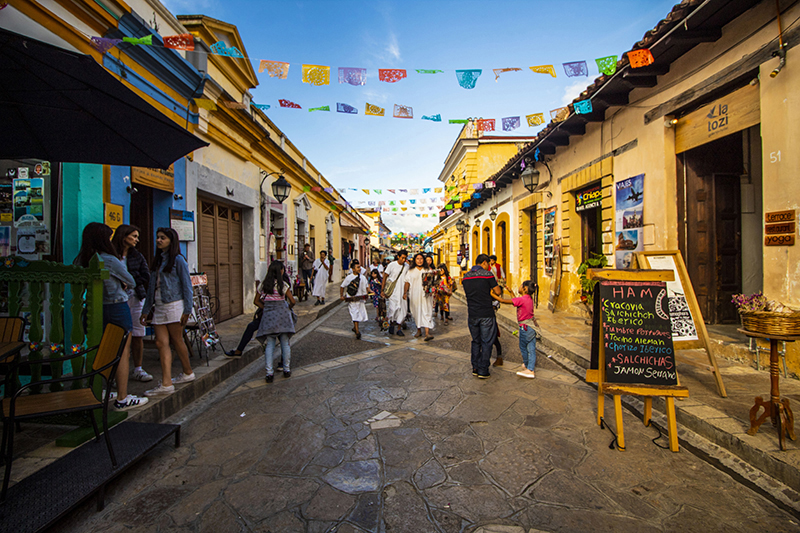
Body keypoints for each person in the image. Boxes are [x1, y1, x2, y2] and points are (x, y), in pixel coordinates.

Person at [74, 222, 148, 410]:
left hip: (93, 308)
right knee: (122, 352)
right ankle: (122, 399)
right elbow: (131, 281)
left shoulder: (81, 259)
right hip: (116, 306)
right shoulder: (108, 259)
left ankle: (98, 390)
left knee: (99, 349)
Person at [141, 228, 195, 397]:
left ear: (171, 241)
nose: (158, 240)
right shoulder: (157, 261)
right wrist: (146, 309)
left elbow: (187, 286)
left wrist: (187, 309)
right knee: (160, 343)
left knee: (177, 340)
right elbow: (151, 287)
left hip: (174, 304)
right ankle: (166, 383)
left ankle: (187, 372)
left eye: (162, 238)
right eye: (158, 237)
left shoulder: (178, 260)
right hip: (159, 305)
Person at [111, 224, 153, 383]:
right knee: (117, 335)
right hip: (115, 299)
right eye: (134, 236)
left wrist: (131, 283)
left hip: (135, 298)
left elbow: (146, 275)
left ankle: (138, 368)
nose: (137, 240)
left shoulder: (137, 256)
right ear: (124, 236)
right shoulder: (111, 256)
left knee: (137, 334)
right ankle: (115, 371)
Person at [462, 254, 501, 379]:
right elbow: (498, 291)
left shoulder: (466, 276)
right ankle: (483, 369)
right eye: (488, 263)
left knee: (475, 341)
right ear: (484, 262)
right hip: (486, 313)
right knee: (486, 342)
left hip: (472, 313)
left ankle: (475, 367)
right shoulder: (488, 275)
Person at [256, 260, 296, 382]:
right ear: (281, 271)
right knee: (285, 343)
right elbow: (292, 301)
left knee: (270, 345)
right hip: (283, 317)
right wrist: (287, 308)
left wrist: (267, 308)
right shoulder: (283, 285)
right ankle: (286, 369)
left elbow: (256, 301)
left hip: (269, 318)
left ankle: (269, 373)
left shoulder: (263, 285)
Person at [494, 280, 540, 378]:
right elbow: (515, 301)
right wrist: (511, 291)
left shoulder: (522, 299)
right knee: (531, 349)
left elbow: (503, 301)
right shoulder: (529, 298)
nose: (519, 287)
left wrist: (492, 294)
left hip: (525, 328)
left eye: (521, 286)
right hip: (531, 327)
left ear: (525, 289)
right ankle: (530, 367)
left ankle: (529, 368)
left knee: (524, 347)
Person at [404, 253, 435, 341]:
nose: (419, 260)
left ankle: (427, 333)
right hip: (414, 295)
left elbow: (432, 282)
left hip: (426, 295)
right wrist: (405, 293)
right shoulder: (410, 271)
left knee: (426, 311)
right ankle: (419, 330)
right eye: (418, 259)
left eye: (421, 259)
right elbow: (407, 282)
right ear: (415, 260)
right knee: (416, 312)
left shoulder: (428, 270)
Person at [382, 250, 409, 336]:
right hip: (393, 292)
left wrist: (406, 292)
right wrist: (382, 290)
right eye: (402, 258)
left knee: (402, 310)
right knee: (393, 309)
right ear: (398, 257)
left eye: (405, 258)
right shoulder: (391, 265)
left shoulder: (407, 266)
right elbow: (385, 276)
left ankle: (399, 328)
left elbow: (408, 280)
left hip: (402, 292)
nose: (404, 260)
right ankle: (392, 323)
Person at [340, 259, 369, 339]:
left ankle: (355, 327)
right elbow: (342, 286)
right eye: (357, 267)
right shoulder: (349, 277)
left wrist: (369, 292)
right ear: (353, 269)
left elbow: (367, 287)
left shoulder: (363, 277)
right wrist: (341, 295)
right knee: (354, 313)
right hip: (352, 299)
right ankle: (357, 331)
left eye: (359, 267)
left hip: (360, 299)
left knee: (359, 313)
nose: (359, 269)